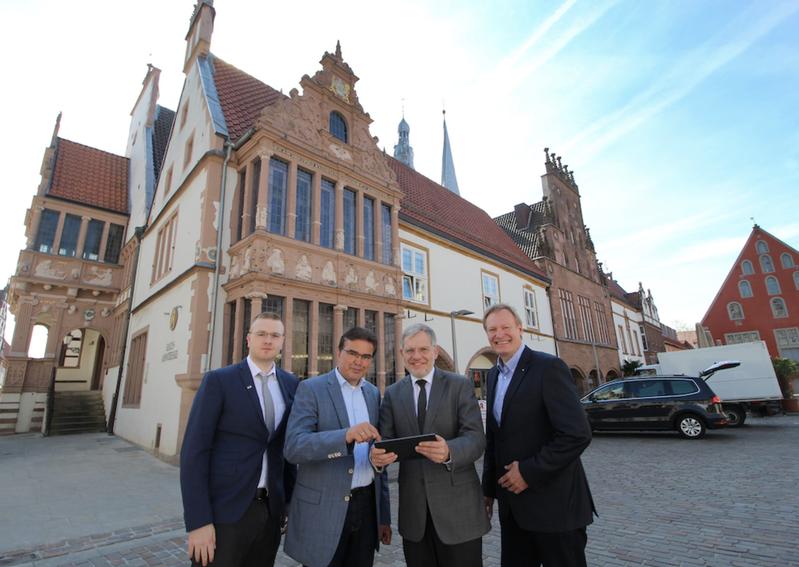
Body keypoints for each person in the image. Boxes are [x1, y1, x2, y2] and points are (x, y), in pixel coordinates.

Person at [180, 311, 299, 567]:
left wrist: (287, 503)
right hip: (226, 512)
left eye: (275, 335)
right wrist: (198, 521)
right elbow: (194, 453)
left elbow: (286, 450)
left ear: (282, 342)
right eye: (261, 334)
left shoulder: (291, 384)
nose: (268, 340)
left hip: (269, 511)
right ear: (248, 339)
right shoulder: (220, 381)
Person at [481, 303, 595, 567]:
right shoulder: (493, 375)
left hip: (555, 507)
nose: (499, 334)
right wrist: (488, 490)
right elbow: (495, 439)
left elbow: (577, 434)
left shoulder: (548, 367)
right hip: (513, 510)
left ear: (520, 328)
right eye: (492, 329)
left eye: (506, 327)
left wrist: (529, 472)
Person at [372, 323, 489, 566]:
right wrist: (378, 459)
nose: (417, 356)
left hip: (459, 513)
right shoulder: (392, 394)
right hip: (415, 516)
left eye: (423, 349)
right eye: (410, 350)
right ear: (402, 353)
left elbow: (476, 439)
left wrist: (449, 451)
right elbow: (385, 443)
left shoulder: (459, 385)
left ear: (435, 352)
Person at [283, 326, 391, 567]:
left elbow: (375, 455)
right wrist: (344, 437)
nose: (358, 361)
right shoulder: (311, 389)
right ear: (338, 352)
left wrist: (383, 515)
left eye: (365, 356)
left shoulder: (373, 393)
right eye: (352, 353)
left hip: (365, 508)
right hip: (324, 510)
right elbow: (293, 447)